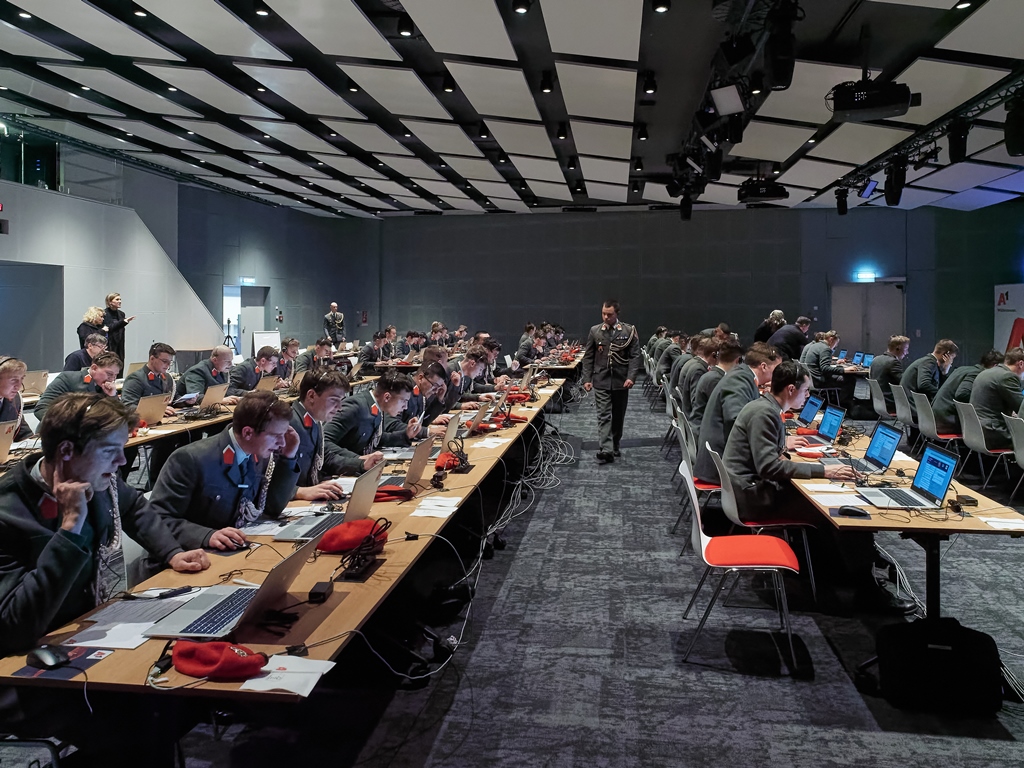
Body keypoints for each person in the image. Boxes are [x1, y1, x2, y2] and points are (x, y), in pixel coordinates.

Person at [0, 394, 210, 766]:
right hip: (25, 671)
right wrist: (70, 528)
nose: (122, 461)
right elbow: (15, 625)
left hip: (90, 632)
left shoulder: (97, 481)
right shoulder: (6, 512)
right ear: (66, 450)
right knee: (142, 718)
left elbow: (134, 506)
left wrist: (172, 553)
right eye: (111, 451)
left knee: (180, 691)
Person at [722, 362, 914, 615]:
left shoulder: (763, 407)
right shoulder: (764, 413)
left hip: (749, 491)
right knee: (843, 511)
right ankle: (867, 592)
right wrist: (825, 471)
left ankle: (839, 573)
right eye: (805, 391)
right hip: (753, 499)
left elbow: (767, 459)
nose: (808, 396)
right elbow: (769, 467)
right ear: (791, 389)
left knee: (831, 503)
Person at [146, 391, 302, 551]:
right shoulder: (191, 459)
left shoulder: (257, 453)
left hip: (234, 547)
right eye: (276, 435)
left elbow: (271, 508)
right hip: (192, 552)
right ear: (248, 433)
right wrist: (207, 535)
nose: (282, 443)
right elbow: (157, 518)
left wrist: (288, 458)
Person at [694, 341, 779, 483]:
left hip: (720, 456)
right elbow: (736, 419)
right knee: (778, 480)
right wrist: (777, 442)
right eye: (776, 369)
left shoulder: (742, 375)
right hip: (721, 465)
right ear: (763, 366)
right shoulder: (740, 379)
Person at [581, 299, 641, 464]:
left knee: (618, 416)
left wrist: (631, 377)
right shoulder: (595, 331)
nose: (606, 317)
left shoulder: (628, 331)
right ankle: (606, 449)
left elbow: (635, 356)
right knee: (604, 415)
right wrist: (587, 379)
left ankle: (614, 445)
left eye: (609, 314)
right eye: (603, 314)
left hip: (621, 381)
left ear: (617, 314)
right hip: (601, 379)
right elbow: (588, 357)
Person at [324, 371, 421, 472]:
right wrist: (358, 459)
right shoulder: (354, 407)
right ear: (387, 397)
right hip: (340, 471)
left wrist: (406, 435)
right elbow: (324, 442)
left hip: (359, 469)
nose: (405, 407)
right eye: (404, 401)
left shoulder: (376, 406)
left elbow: (375, 439)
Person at [290, 369, 352, 500]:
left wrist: (361, 464)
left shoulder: (314, 421)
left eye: (341, 400)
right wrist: (299, 492)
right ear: (311, 396)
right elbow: (266, 480)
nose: (339, 407)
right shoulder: (289, 426)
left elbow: (324, 459)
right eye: (334, 400)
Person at [34, 351, 122, 424]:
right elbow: (41, 409)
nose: (112, 379)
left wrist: (112, 396)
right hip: (61, 433)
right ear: (94, 368)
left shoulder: (108, 388)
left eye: (115, 375)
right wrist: (68, 427)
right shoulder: (67, 379)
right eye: (109, 374)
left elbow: (119, 415)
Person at [931, 350, 1003, 433]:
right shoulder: (977, 374)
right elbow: (962, 394)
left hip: (934, 418)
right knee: (990, 430)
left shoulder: (962, 369)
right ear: (995, 366)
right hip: (946, 421)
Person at [968, 348, 1024, 450]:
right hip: (994, 434)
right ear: (1020, 364)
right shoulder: (1007, 376)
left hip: (976, 431)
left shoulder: (986, 372)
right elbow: (1021, 408)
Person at [691, 338, 743, 429]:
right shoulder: (716, 379)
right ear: (737, 361)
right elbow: (726, 412)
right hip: (704, 429)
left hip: (700, 425)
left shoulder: (712, 375)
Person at [801, 330, 859, 407]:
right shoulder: (825, 348)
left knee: (841, 377)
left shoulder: (815, 345)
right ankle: (845, 405)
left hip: (813, 379)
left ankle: (836, 401)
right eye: (836, 343)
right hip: (819, 381)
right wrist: (844, 369)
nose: (836, 345)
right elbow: (825, 368)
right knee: (850, 379)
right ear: (831, 339)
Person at [902, 339, 958, 409]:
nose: (951, 362)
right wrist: (941, 394)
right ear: (946, 355)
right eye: (952, 357)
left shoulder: (928, 361)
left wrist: (944, 372)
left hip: (909, 405)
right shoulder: (929, 363)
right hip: (915, 407)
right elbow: (924, 385)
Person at [120, 342, 176, 414]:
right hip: (143, 419)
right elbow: (128, 406)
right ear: (152, 359)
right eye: (165, 361)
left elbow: (174, 400)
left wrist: (186, 402)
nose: (168, 365)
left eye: (170, 362)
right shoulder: (135, 379)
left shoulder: (167, 378)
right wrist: (157, 409)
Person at [175, 345, 240, 405]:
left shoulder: (223, 370)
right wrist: (219, 400)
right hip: (185, 409)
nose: (231, 364)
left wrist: (243, 396)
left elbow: (227, 390)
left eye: (231, 361)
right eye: (227, 361)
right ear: (215, 360)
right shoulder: (198, 371)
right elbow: (196, 397)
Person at [403, 361, 451, 438]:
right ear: (421, 378)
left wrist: (439, 399)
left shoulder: (420, 391)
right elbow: (392, 425)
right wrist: (427, 431)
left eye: (438, 387)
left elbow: (424, 422)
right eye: (434, 386)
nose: (436, 391)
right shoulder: (402, 389)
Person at [678, 336, 718, 427]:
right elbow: (695, 402)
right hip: (694, 421)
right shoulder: (698, 370)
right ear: (714, 355)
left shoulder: (698, 365)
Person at [868, 335, 910, 413]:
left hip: (877, 401)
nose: (907, 353)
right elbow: (904, 382)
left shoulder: (876, 359)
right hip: (890, 404)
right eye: (906, 349)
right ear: (898, 348)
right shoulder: (893, 362)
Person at [0, 357, 34, 441]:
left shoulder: (16, 400)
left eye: (21, 379)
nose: (19, 386)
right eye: (14, 380)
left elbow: (23, 434)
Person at [102, 292, 134, 367]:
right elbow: (109, 328)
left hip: (120, 343)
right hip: (109, 343)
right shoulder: (104, 314)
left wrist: (123, 322)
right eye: (117, 299)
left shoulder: (121, 314)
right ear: (110, 302)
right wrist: (123, 322)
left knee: (120, 364)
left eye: (120, 299)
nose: (120, 301)